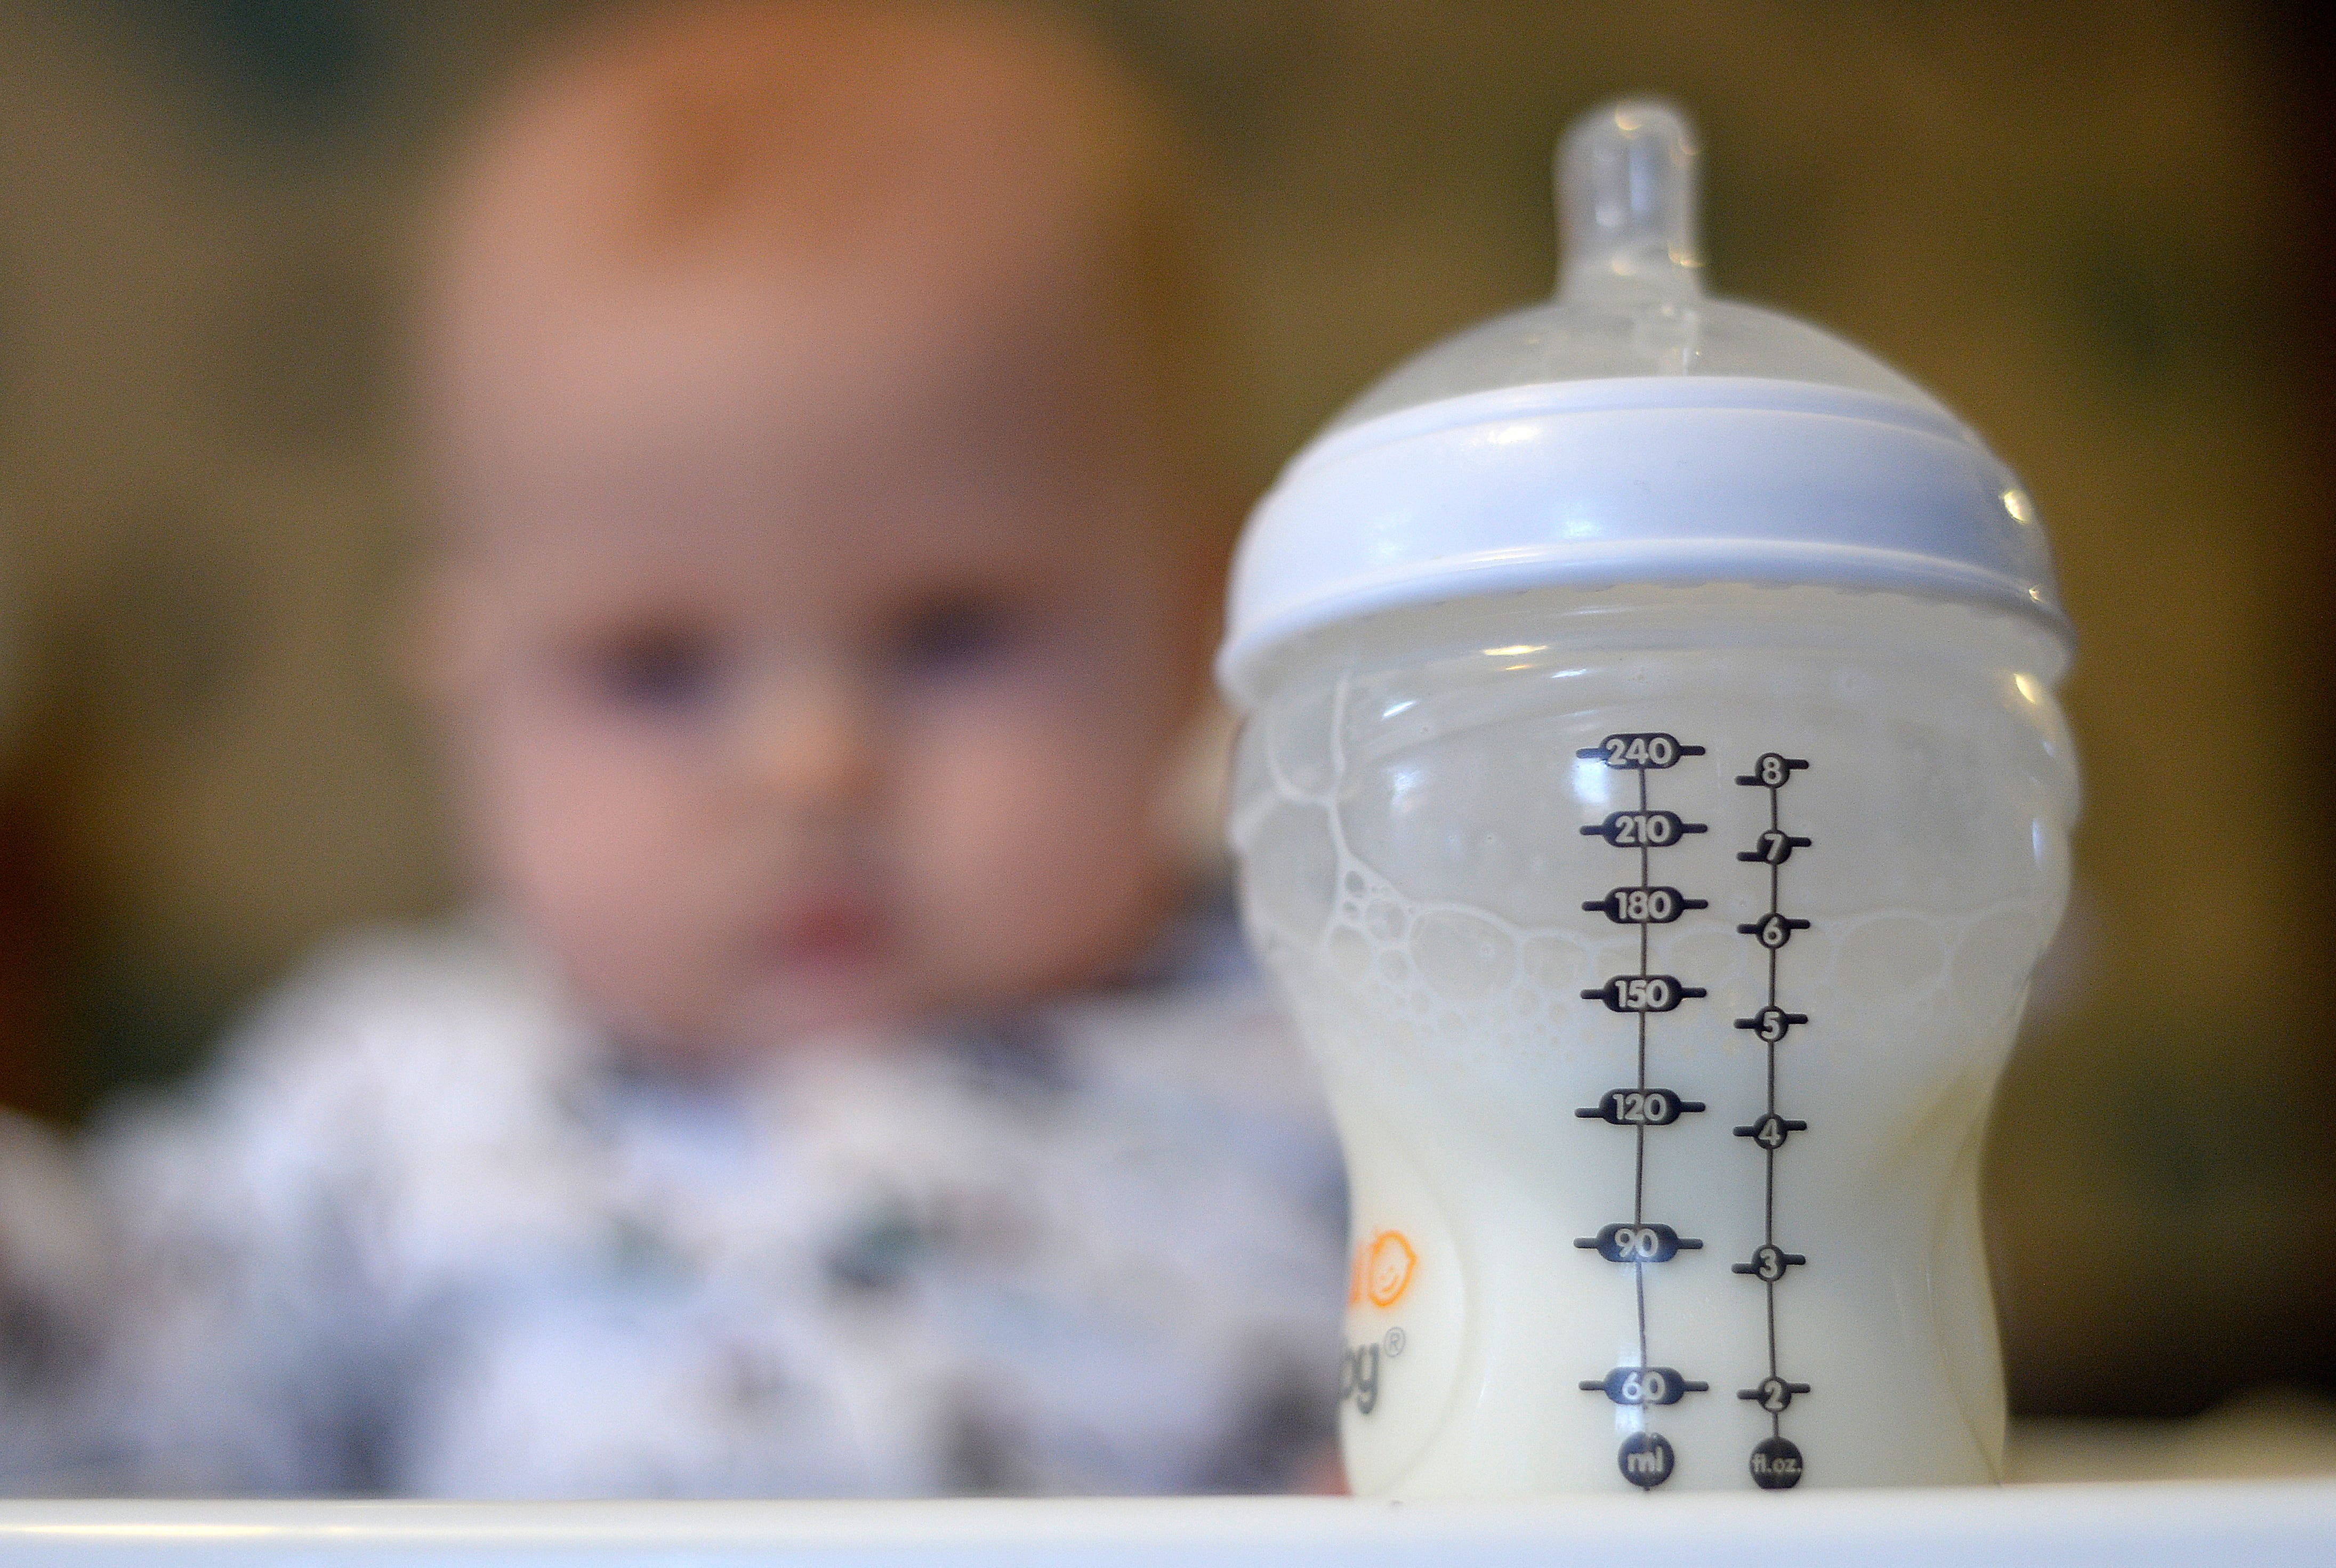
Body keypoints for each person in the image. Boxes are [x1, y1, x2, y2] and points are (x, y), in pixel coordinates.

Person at [0, 0, 1342, 1497]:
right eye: (656, 667)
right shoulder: (393, 1116)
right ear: (475, 695)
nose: (810, 765)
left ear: (1194, 630)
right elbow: (101, 1377)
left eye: (947, 633)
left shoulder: (1338, 1055)